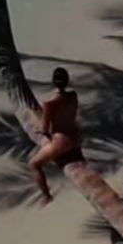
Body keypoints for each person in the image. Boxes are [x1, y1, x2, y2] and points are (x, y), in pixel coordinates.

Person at [29, 67, 84, 205]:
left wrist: (41, 131)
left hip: (62, 141)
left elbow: (45, 129)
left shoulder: (50, 104)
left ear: (53, 82)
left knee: (34, 164)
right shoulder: (73, 96)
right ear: (67, 81)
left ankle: (46, 196)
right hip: (75, 137)